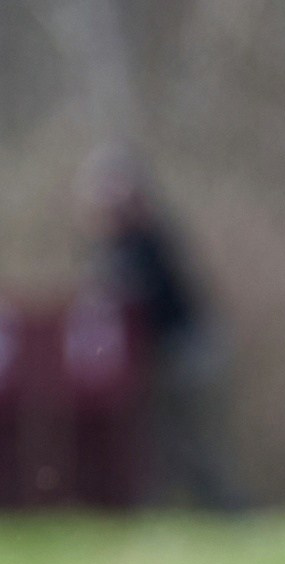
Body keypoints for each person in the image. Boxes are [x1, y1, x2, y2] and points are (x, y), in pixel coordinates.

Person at [79, 146, 246, 512]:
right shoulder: (119, 244)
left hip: (189, 349)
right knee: (169, 438)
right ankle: (185, 507)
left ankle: (226, 510)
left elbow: (140, 295)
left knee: (192, 438)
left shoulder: (148, 238)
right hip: (172, 352)